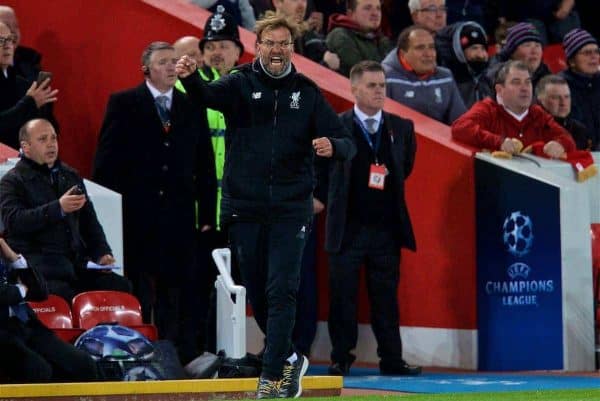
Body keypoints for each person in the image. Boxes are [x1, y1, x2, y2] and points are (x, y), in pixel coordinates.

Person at [176, 13, 355, 398]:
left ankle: (272, 377)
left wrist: (333, 147)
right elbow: (205, 97)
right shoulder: (239, 83)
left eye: (284, 44)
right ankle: (290, 358)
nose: (277, 50)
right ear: (258, 47)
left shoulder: (306, 92)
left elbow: (345, 140)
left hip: (292, 209)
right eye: (270, 43)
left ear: (292, 49)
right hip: (244, 207)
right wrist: (190, 76)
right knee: (258, 292)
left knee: (281, 290)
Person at [92, 42, 216, 366]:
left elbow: (205, 166)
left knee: (176, 289)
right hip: (136, 216)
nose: (171, 67)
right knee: (138, 286)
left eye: (174, 61)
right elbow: (105, 163)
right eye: (163, 62)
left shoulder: (192, 107)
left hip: (178, 216)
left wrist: (206, 215)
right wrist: (109, 217)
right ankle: (136, 354)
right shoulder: (123, 104)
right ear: (145, 68)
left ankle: (171, 354)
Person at [317, 60, 420, 377]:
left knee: (386, 298)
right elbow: (319, 171)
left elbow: (406, 166)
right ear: (354, 89)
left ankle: (392, 358)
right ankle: (341, 357)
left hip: (386, 229)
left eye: (382, 85)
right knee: (342, 297)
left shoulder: (401, 128)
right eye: (372, 85)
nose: (379, 91)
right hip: (347, 229)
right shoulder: (334, 127)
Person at [0, 119, 131, 303]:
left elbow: (89, 222)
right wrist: (58, 208)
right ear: (26, 147)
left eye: (53, 138)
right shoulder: (12, 181)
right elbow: (14, 222)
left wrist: (102, 253)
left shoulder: (70, 176)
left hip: (76, 267)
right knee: (65, 294)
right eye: (43, 139)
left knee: (121, 288)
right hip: (41, 269)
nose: (51, 144)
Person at [0, 237, 99, 383]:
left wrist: (14, 258)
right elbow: (16, 292)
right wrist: (21, 290)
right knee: (38, 370)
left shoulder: (5, 254)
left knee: (83, 364)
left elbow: (40, 292)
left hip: (26, 324)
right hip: (3, 332)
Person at [452, 60, 576, 155]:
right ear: (500, 90)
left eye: (528, 82)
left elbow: (567, 138)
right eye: (516, 82)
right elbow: (460, 127)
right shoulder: (487, 109)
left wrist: (560, 144)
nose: (525, 88)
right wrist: (499, 142)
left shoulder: (537, 114)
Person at [382, 25, 466, 125]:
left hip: (439, 138)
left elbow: (461, 121)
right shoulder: (384, 77)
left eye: (431, 47)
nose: (428, 54)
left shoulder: (445, 77)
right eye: (420, 48)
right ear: (403, 54)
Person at [0, 21, 57, 150]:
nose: (7, 46)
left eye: (10, 39)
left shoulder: (23, 83)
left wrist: (41, 106)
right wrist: (30, 103)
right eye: (0, 40)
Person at [326, 0, 393, 77]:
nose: (375, 13)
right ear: (350, 14)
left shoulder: (381, 39)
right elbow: (361, 75)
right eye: (367, 8)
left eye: (378, 8)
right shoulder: (340, 35)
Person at [560, 28, 600, 152]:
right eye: (587, 53)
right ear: (572, 61)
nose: (594, 57)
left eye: (596, 51)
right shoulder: (560, 86)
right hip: (577, 154)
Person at [435, 21, 492, 108]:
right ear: (459, 51)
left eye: (483, 48)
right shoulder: (447, 81)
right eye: (474, 48)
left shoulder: (489, 78)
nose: (480, 54)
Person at [485, 22, 551, 96]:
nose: (534, 51)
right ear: (511, 52)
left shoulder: (548, 78)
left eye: (538, 45)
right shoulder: (490, 82)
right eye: (527, 45)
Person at [272, 0, 340, 71]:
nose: (302, 6)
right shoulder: (270, 40)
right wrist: (325, 65)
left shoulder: (297, 36)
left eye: (304, 0)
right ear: (277, 2)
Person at [536, 74, 591, 150]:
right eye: (555, 97)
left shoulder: (579, 131)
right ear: (540, 100)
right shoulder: (532, 128)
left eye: (567, 97)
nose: (563, 103)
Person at [0, 6, 41, 83]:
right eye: (7, 26)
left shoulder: (30, 57)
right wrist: (31, 95)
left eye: (16, 26)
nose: (13, 31)